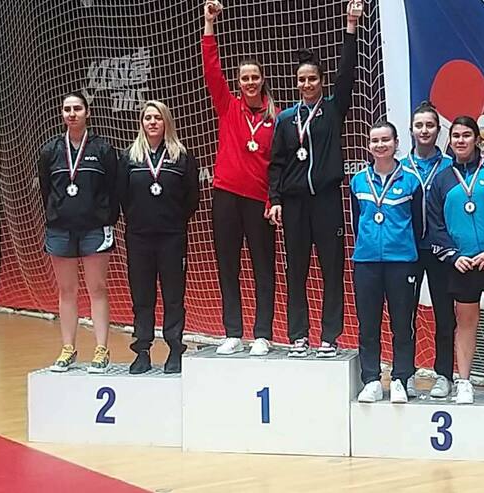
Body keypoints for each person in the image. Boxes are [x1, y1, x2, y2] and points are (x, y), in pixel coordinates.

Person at [267, 0, 363, 358]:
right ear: (296, 84)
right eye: (302, 80)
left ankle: (329, 337)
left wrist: (350, 26)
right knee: (296, 271)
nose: (307, 84)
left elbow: (347, 73)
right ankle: (298, 335)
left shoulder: (333, 110)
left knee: (331, 269)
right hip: (294, 204)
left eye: (313, 79)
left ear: (322, 81)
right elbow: (276, 164)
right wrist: (276, 200)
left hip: (326, 200)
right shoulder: (285, 119)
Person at [426, 116, 484, 405]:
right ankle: (464, 382)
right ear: (450, 140)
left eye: (466, 135)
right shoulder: (442, 179)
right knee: (465, 320)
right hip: (462, 263)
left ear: (477, 139)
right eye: (456, 135)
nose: (461, 140)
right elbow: (435, 225)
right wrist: (454, 256)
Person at [202, 0, 279, 357]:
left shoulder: (275, 117)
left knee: (263, 266)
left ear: (262, 80)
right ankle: (232, 331)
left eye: (254, 77)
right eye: (244, 78)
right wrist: (209, 24)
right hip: (226, 196)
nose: (250, 82)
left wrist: (272, 199)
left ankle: (262, 333)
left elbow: (278, 164)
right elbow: (211, 69)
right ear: (238, 82)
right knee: (227, 264)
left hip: (259, 200)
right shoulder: (229, 106)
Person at [37, 92, 120, 374]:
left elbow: (113, 189)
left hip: (94, 229)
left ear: (87, 112)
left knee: (97, 288)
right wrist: (57, 214)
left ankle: (101, 349)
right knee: (66, 290)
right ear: (62, 114)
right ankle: (68, 348)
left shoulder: (103, 149)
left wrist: (105, 218)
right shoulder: (50, 151)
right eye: (67, 109)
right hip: (60, 230)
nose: (72, 114)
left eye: (77, 109)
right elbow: (47, 190)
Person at [120, 100, 199, 375]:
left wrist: (173, 221)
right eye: (148, 118)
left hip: (172, 238)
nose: (152, 122)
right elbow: (122, 196)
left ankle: (175, 349)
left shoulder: (181, 157)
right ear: (141, 123)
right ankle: (142, 350)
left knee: (173, 295)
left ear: (166, 122)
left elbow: (192, 198)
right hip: (139, 238)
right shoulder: (129, 157)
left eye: (157, 117)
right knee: (142, 296)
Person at [350, 121, 423, 403]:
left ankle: (401, 379)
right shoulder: (358, 181)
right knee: (368, 324)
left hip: (401, 261)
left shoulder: (411, 181)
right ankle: (371, 380)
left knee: (402, 324)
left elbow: (418, 224)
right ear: (369, 146)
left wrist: (402, 247)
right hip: (366, 261)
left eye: (385, 140)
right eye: (375, 141)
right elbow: (357, 220)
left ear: (396, 143)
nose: (380, 145)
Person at [400, 101, 455, 398]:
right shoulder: (400, 167)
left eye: (430, 125)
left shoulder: (449, 166)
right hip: (408, 251)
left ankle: (444, 374)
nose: (424, 130)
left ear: (438, 130)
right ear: (411, 130)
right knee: (405, 315)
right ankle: (405, 374)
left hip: (440, 251)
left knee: (445, 315)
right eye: (419, 125)